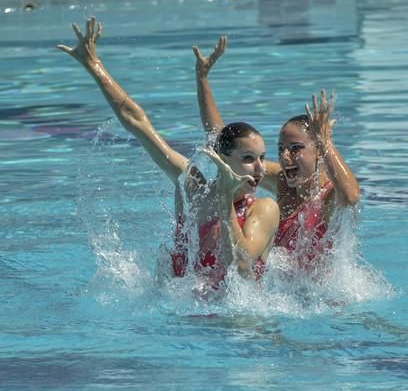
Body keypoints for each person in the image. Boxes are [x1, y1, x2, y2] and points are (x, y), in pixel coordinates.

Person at [57, 17, 279, 290]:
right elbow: (139, 124)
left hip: (241, 326)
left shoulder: (264, 209)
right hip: (184, 320)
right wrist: (95, 67)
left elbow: (242, 268)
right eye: (248, 158)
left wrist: (224, 203)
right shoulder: (194, 187)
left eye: (260, 157)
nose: (260, 168)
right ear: (223, 160)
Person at [193, 37, 360, 269]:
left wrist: (326, 142)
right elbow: (224, 142)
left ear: (319, 152)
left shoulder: (328, 196)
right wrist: (202, 78)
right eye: (281, 149)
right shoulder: (283, 181)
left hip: (325, 300)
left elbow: (351, 197)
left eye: (296, 148)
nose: (285, 157)